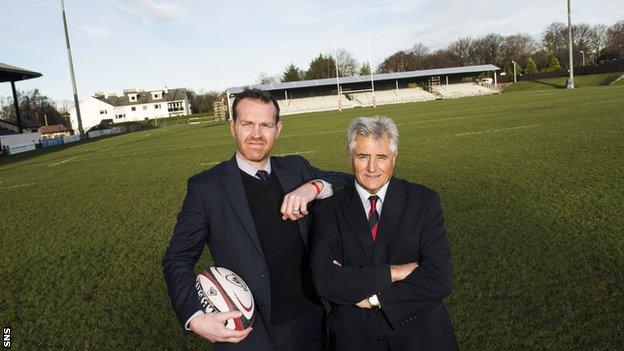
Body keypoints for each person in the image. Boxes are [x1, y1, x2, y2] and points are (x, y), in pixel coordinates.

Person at [162, 88, 351, 351]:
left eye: (265, 125)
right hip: (249, 334)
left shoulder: (297, 169)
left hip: (310, 324)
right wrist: (195, 317)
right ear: (233, 127)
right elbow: (177, 258)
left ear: (278, 128)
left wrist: (314, 186)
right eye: (247, 124)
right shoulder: (207, 188)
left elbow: (351, 183)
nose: (256, 135)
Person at [309, 116, 458, 351]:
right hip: (355, 339)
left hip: (421, 338)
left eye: (381, 157)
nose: (372, 167)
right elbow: (324, 280)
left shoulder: (423, 201)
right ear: (350, 157)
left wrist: (374, 299)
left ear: (394, 157)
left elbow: (440, 278)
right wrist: (395, 272)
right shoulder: (328, 209)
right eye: (363, 156)